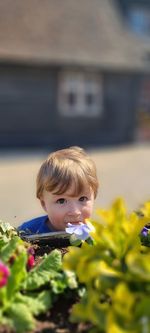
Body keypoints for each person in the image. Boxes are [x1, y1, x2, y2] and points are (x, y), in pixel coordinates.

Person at [18, 146, 99, 234]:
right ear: (44, 204)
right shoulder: (28, 232)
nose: (75, 212)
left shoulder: (98, 235)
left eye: (82, 199)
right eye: (61, 201)